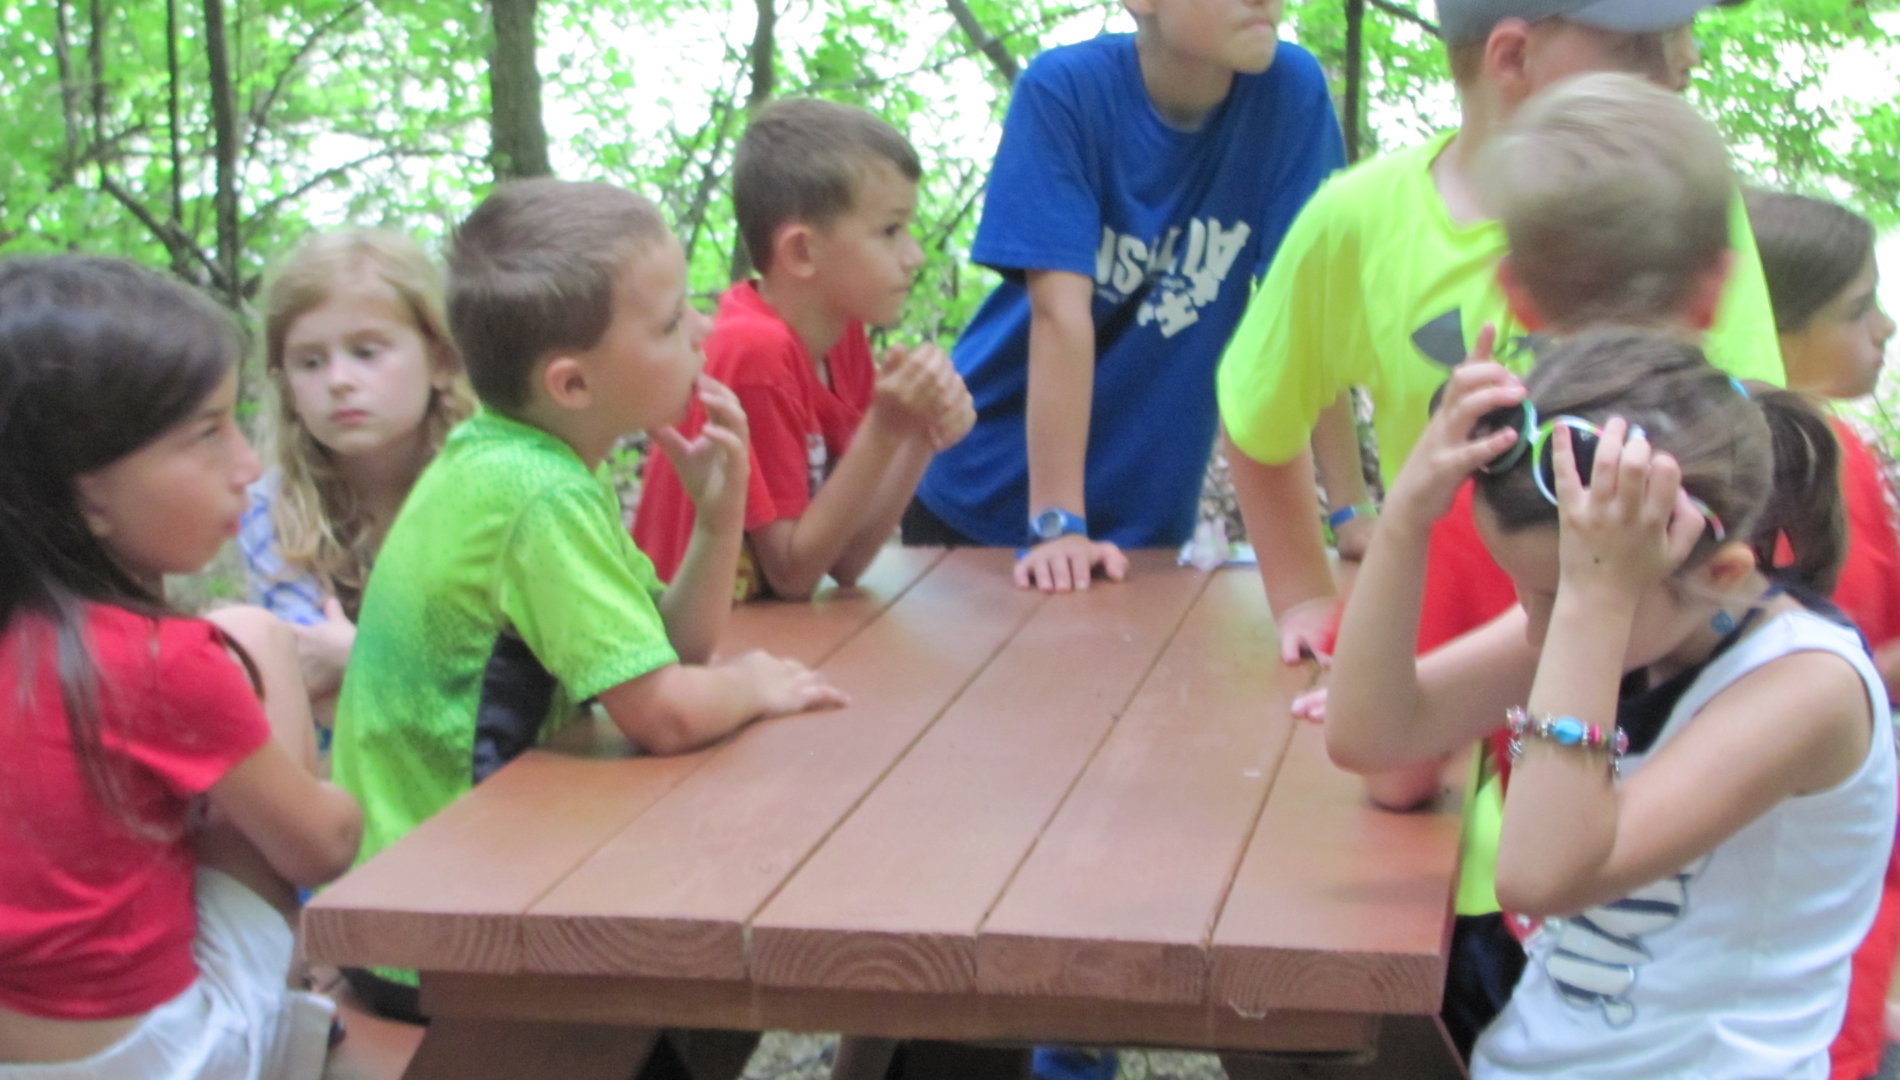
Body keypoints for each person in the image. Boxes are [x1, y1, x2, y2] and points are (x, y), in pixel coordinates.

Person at [327, 180, 849, 1039]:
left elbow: (669, 651)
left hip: (430, 893)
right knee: (727, 932)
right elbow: (666, 714)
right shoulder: (538, 496)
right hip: (441, 930)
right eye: (669, 322)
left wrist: (719, 518)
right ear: (572, 383)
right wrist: (754, 685)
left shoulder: (509, 459)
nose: (703, 332)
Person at [1326, 327, 1894, 1077]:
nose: (1535, 627)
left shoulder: (1807, 689)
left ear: (1722, 573)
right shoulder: (1621, 611)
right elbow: (1373, 733)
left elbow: (1541, 877)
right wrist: (1407, 516)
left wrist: (1591, 602)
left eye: (1558, 596)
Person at [1215, 0, 1783, 666]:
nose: (1686, 60)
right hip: (1436, 655)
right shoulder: (1359, 218)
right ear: (1512, 57)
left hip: (1642, 654)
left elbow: (1751, 438)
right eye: (1639, 45)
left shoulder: (1681, 212)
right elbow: (1258, 410)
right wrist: (1304, 599)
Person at [0, 256, 364, 1078]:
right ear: (84, 492)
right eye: (206, 434)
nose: (246, 465)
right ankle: (288, 1026)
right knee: (254, 633)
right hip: (155, 1060)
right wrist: (338, 794)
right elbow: (321, 850)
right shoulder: (155, 661)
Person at [904, 0, 1344, 592]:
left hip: (1147, 524)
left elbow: (1310, 309)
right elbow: (1059, 315)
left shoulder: (1289, 93)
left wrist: (1352, 511)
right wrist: (1057, 524)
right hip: (986, 498)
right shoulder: (1066, 91)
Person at [631, 99, 973, 601]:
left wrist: (919, 430)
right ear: (802, 251)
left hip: (761, 624)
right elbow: (793, 573)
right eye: (890, 231)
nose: (915, 256)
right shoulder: (755, 352)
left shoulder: (843, 339)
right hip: (675, 632)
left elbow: (847, 559)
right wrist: (885, 428)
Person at [1745, 187, 1900, 1079]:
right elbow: (1830, 682)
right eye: (1857, 309)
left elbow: (1880, 664)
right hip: (1813, 943)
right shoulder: (1807, 474)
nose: (1886, 328)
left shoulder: (1841, 452)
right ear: (1768, 327)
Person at [241, 228, 475, 717]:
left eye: (366, 352)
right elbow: (309, 683)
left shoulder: (490, 487)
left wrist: (355, 657)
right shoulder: (271, 509)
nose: (339, 381)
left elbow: (517, 679)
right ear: (286, 387)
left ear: (440, 361)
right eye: (310, 362)